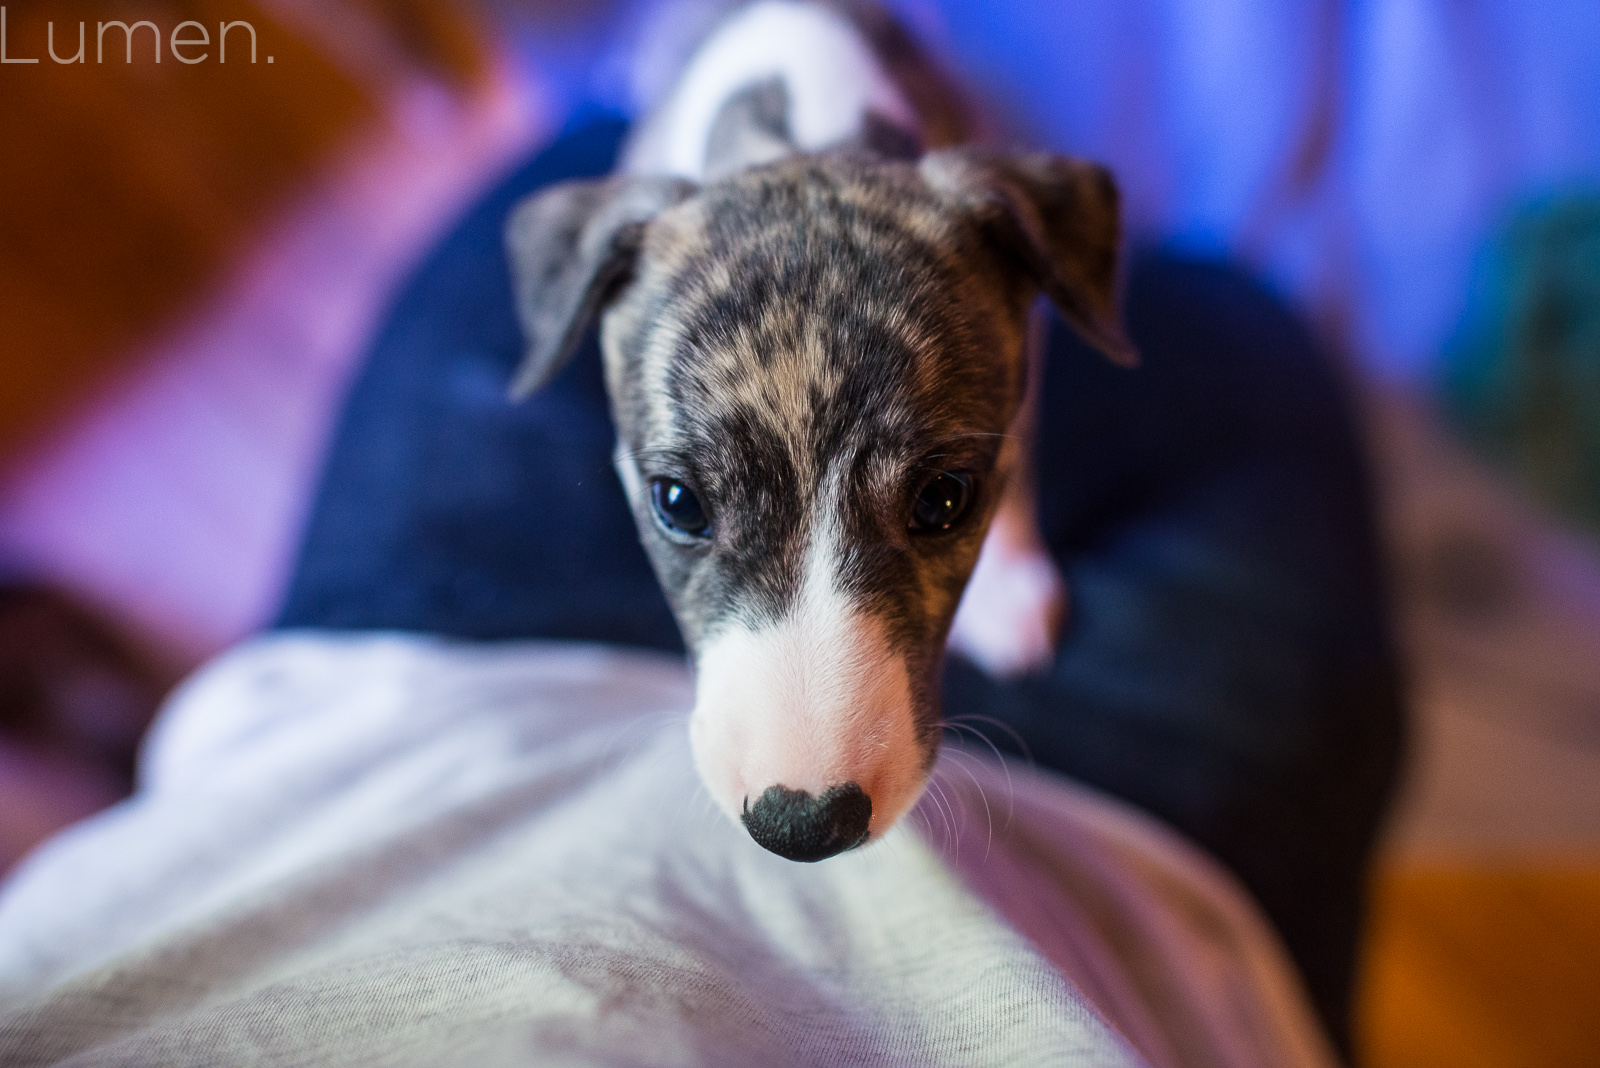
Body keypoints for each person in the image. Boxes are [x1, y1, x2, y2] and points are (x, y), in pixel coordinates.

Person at [0, 116, 1402, 1067]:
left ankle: (150, 772)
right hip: (1125, 872)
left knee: (600, 151)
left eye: (940, 499)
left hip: (392, 721)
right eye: (678, 501)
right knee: (1226, 324)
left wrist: (731, 494)